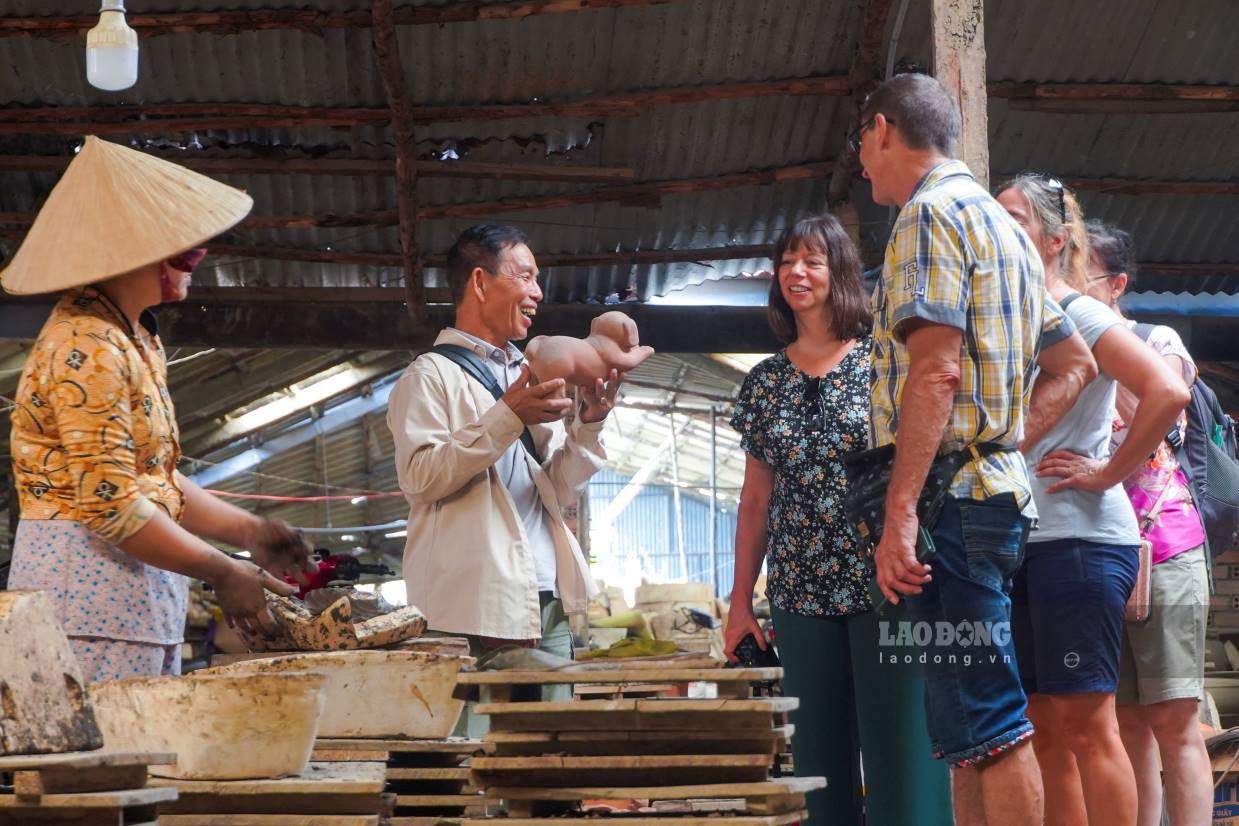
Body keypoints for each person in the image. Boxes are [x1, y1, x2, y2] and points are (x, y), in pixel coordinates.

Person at [856, 73, 1095, 826]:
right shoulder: (1002, 228)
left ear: (884, 129)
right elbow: (1074, 366)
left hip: (948, 510)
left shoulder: (930, 216)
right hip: (986, 496)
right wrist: (998, 443)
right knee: (966, 729)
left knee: (988, 720)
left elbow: (935, 368)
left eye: (861, 143)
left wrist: (900, 511)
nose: (861, 163)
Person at [3, 137, 313, 682]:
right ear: (143, 249)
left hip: (126, 599)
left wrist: (249, 532)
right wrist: (220, 568)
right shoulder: (88, 346)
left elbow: (153, 479)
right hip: (85, 605)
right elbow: (110, 507)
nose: (198, 254)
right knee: (101, 761)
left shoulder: (132, 339)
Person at [723, 215, 953, 826]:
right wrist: (740, 601)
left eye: (813, 261)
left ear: (839, 273)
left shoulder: (885, 363)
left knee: (903, 759)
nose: (797, 272)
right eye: (787, 261)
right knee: (817, 769)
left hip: (887, 584)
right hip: (799, 591)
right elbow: (754, 503)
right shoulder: (765, 382)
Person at [996, 177, 1189, 826]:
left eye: (1014, 219)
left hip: (1077, 543)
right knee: (1040, 725)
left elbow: (1165, 391)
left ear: (1054, 242)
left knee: (1086, 725)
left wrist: (1107, 473)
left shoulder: (1077, 312)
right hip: (1020, 543)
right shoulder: (1010, 317)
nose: (999, 229)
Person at [386, 224, 622, 681]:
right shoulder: (429, 377)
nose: (537, 292)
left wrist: (587, 427)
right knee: (471, 746)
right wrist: (507, 415)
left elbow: (552, 489)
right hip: (470, 606)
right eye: (525, 277)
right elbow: (420, 477)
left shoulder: (527, 370)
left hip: (543, 601)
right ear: (479, 282)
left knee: (548, 748)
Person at [1085, 221, 1213, 826]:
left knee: (1176, 721)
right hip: (1101, 551)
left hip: (1165, 548)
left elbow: (1160, 411)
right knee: (1126, 721)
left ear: (1116, 283)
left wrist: (1096, 363)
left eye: (1079, 269)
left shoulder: (1154, 338)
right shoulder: (1061, 346)